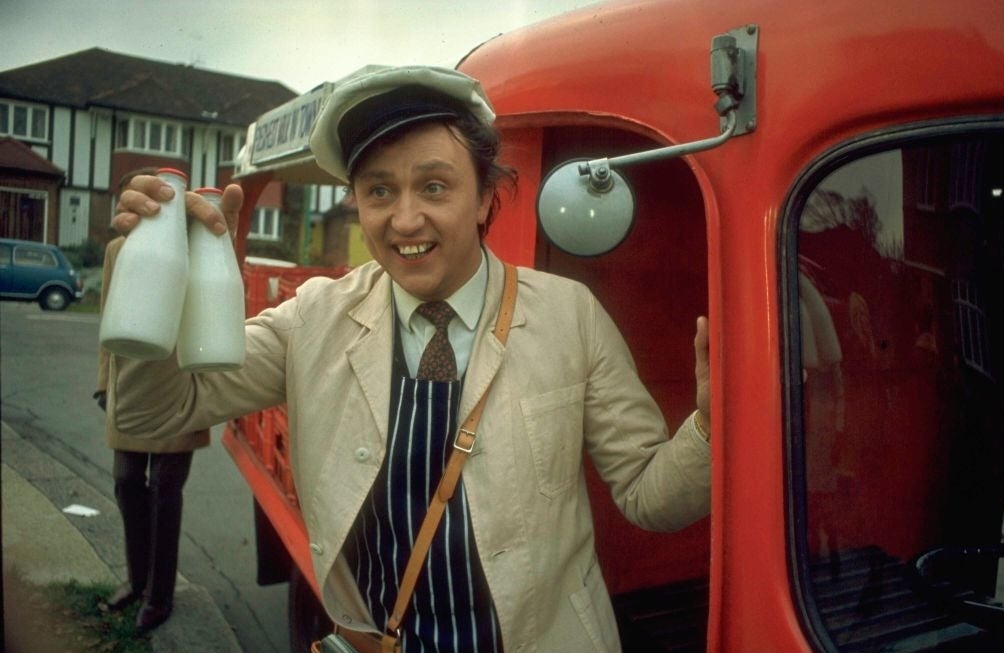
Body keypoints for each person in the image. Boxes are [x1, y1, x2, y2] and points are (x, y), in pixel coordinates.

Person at [109, 65, 712, 652]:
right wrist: (150, 282)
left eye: (434, 186)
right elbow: (150, 415)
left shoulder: (568, 316)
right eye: (378, 191)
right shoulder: (314, 318)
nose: (404, 220)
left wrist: (712, 428)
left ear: (484, 199)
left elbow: (647, 495)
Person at [95, 174, 210, 633]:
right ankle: (136, 580)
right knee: (126, 481)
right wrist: (104, 381)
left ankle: (159, 597)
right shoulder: (118, 252)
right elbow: (106, 317)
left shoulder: (193, 250)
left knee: (165, 488)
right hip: (129, 384)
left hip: (179, 387)